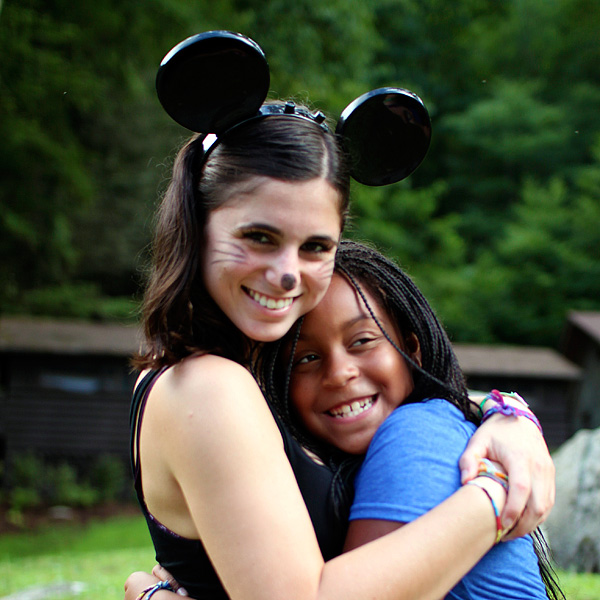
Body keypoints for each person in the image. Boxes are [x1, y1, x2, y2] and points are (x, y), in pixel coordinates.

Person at [124, 31, 555, 600]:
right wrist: (496, 494)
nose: (286, 274)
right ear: (197, 227)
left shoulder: (232, 377)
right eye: (258, 236)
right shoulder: (208, 387)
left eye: (315, 248)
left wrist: (507, 416)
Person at [270, 240, 563, 599]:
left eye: (362, 341)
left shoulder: (414, 432)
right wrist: (506, 411)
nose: (339, 373)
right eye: (306, 358)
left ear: (412, 350)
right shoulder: (425, 428)